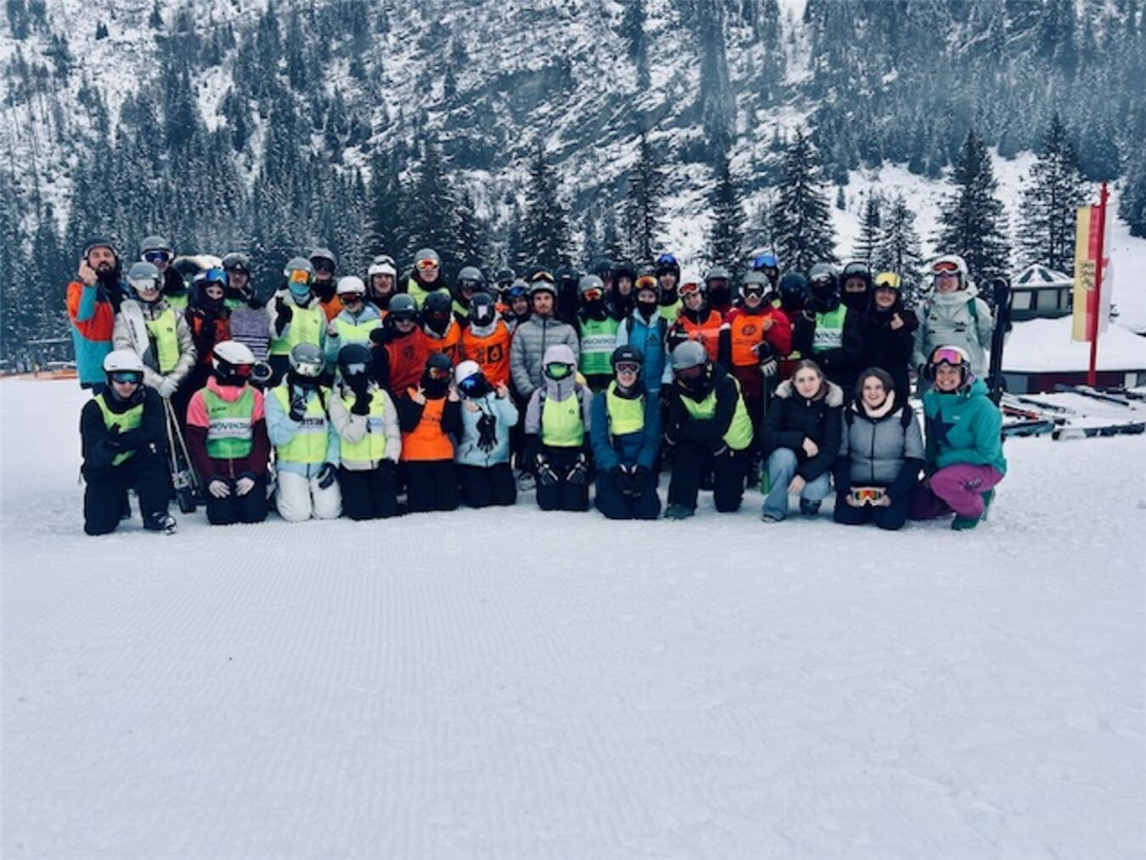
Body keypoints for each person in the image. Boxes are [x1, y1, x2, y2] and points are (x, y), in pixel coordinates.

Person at [80, 350, 177, 535]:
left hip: (140, 461)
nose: (127, 385)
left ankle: (156, 512)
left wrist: (119, 442)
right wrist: (108, 445)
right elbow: (91, 454)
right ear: (110, 379)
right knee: (98, 527)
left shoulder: (150, 398)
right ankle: (118, 503)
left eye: (133, 379)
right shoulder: (94, 409)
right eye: (120, 379)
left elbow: (154, 432)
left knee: (153, 452)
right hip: (108, 466)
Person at [910, 346, 1006, 530]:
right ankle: (960, 494)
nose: (945, 377)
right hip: (945, 467)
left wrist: (944, 460)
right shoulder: (930, 399)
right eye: (940, 371)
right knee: (916, 508)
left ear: (964, 373)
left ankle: (973, 510)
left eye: (952, 371)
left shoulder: (983, 407)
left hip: (986, 466)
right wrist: (930, 468)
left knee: (943, 482)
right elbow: (931, 438)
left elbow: (987, 453)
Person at [662, 341, 754, 519]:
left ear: (704, 366)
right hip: (705, 442)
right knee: (683, 450)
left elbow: (720, 425)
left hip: (731, 445)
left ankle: (735, 479)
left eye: (693, 370)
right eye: (682, 372)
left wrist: (686, 428)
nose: (688, 376)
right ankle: (681, 502)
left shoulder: (726, 384)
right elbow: (675, 425)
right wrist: (685, 430)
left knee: (727, 505)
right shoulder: (678, 388)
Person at [184, 341, 271, 526]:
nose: (246, 375)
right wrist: (209, 477)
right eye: (242, 370)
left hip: (247, 468)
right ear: (223, 368)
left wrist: (252, 473)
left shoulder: (254, 396)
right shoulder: (201, 398)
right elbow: (196, 444)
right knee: (221, 518)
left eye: (249, 370)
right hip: (217, 470)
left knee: (253, 515)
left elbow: (261, 440)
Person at [832, 367, 923, 531]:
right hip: (858, 483)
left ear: (887, 389)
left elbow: (915, 459)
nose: (872, 393)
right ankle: (867, 509)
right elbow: (841, 455)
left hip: (892, 483)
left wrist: (894, 493)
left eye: (878, 387)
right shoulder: (849, 413)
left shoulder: (904, 414)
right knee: (846, 517)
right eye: (867, 388)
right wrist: (845, 490)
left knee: (889, 522)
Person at [265, 343, 342, 522]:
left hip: (320, 465)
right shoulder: (277, 395)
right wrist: (293, 418)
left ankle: (310, 492)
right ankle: (279, 492)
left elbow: (334, 433)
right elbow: (276, 437)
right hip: (291, 465)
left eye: (314, 369)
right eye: (303, 368)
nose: (308, 374)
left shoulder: (326, 395)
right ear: (293, 365)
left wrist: (332, 463)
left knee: (329, 511)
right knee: (297, 514)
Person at [760, 359, 843, 522]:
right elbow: (766, 433)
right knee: (783, 457)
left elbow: (831, 447)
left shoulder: (831, 403)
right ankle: (774, 508)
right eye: (801, 380)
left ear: (820, 379)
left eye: (811, 379)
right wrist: (799, 440)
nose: (807, 385)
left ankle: (810, 502)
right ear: (793, 382)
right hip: (785, 457)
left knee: (815, 488)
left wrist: (804, 475)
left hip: (815, 462)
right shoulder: (783, 399)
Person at [329, 343, 401, 520]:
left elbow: (392, 429)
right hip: (353, 467)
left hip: (380, 464)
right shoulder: (337, 400)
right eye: (352, 370)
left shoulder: (381, 396)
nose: (357, 374)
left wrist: (390, 459)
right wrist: (359, 412)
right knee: (361, 514)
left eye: (361, 368)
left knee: (386, 512)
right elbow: (351, 436)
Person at [721, 270, 793, 445]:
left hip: (763, 380)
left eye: (757, 292)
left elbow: (785, 347)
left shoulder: (775, 316)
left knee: (764, 419)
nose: (752, 297)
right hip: (738, 378)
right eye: (749, 292)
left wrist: (772, 332)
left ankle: (763, 449)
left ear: (766, 292)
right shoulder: (733, 316)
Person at [590, 346, 661, 520]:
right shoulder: (602, 400)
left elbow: (651, 439)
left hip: (639, 463)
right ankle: (604, 491)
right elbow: (599, 440)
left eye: (632, 368)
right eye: (622, 368)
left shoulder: (649, 400)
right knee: (618, 511)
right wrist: (614, 469)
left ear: (639, 371)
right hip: (614, 464)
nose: (627, 374)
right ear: (614, 370)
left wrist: (643, 468)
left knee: (648, 511)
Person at [113, 261, 197, 404]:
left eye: (155, 284)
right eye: (143, 285)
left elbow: (189, 350)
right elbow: (125, 352)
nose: (150, 289)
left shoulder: (174, 315)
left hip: (177, 386)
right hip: (142, 388)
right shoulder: (125, 318)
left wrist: (174, 379)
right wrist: (157, 383)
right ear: (133, 286)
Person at [524, 344, 593, 512]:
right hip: (549, 453)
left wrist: (583, 463)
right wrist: (541, 465)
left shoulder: (583, 395)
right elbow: (531, 431)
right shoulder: (539, 396)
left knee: (575, 504)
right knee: (548, 503)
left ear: (571, 368)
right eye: (553, 369)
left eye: (561, 368)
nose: (557, 373)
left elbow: (590, 430)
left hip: (575, 453)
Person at [912, 255, 994, 384]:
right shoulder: (925, 308)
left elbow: (990, 343)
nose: (944, 281)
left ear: (961, 278)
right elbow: (916, 346)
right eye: (940, 277)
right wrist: (922, 367)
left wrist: (1003, 329)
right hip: (934, 381)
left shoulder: (975, 306)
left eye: (950, 276)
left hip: (970, 380)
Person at [397, 353, 462, 513]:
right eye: (435, 373)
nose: (439, 378)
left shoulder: (449, 396)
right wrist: (417, 404)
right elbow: (407, 425)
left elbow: (448, 427)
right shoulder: (411, 392)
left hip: (441, 453)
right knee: (423, 505)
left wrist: (452, 405)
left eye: (444, 375)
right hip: (416, 454)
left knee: (449, 504)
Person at [791, 263, 863, 402]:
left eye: (826, 282)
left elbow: (854, 351)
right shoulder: (806, 314)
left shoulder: (847, 313)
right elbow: (799, 347)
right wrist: (807, 325)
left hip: (842, 378)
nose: (822, 286)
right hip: (812, 378)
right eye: (817, 282)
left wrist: (824, 358)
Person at [454, 360, 519, 508]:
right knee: (479, 500)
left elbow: (512, 420)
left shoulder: (496, 397)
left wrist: (503, 399)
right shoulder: (463, 404)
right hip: (471, 460)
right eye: (466, 385)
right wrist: (460, 406)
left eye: (473, 381)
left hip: (498, 459)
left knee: (506, 498)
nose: (472, 387)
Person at [509, 272, 580, 404]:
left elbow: (572, 363)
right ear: (532, 302)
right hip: (529, 398)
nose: (543, 303)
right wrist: (529, 392)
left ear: (554, 301)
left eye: (547, 298)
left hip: (559, 397)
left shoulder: (567, 330)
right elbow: (517, 364)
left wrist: (558, 390)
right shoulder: (522, 330)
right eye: (538, 299)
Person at [67, 237, 123, 392]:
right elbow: (82, 314)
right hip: (100, 371)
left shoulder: (122, 289)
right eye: (96, 255)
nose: (102, 259)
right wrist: (89, 286)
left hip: (127, 363)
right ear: (86, 262)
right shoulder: (77, 289)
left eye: (107, 255)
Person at [267, 257, 326, 386]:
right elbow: (275, 334)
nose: (300, 282)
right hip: (283, 362)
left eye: (304, 278)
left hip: (312, 363)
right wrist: (284, 318)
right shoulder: (277, 303)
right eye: (296, 277)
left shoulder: (318, 310)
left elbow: (322, 340)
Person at [860, 272, 919, 398]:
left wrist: (899, 331)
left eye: (891, 292)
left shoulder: (906, 319)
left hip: (896, 385)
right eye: (882, 291)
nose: (885, 296)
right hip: (869, 384)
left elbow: (905, 353)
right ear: (874, 294)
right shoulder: (862, 319)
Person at [615, 273, 671, 399]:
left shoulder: (664, 325)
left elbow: (669, 358)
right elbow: (619, 355)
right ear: (636, 298)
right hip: (632, 389)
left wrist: (667, 382)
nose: (646, 300)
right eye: (642, 296)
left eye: (651, 297)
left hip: (657, 388)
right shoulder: (627, 324)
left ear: (657, 299)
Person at [184, 267, 232, 397]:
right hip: (195, 373)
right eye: (210, 292)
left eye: (219, 293)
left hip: (222, 371)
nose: (214, 297)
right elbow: (187, 348)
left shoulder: (226, 316)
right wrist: (205, 338)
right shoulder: (192, 315)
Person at [370, 293, 425, 395]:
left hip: (421, 388)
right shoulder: (382, 349)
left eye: (411, 317)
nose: (406, 322)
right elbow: (382, 385)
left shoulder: (419, 329)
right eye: (400, 318)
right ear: (392, 318)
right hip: (396, 394)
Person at [324, 275, 382, 370]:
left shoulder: (377, 324)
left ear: (362, 296)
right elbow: (331, 358)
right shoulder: (335, 324)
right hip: (343, 376)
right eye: (345, 299)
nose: (350, 303)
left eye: (353, 298)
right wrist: (333, 340)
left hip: (368, 375)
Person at [666, 273, 726, 363]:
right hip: (692, 368)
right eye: (687, 298)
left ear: (702, 295)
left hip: (716, 366)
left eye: (695, 295)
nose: (691, 301)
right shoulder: (680, 322)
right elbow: (670, 350)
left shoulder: (718, 317)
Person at [576, 274, 620, 391]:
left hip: (610, 376)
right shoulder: (579, 321)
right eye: (589, 296)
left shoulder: (614, 320)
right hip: (587, 377)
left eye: (596, 294)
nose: (594, 299)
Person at [460, 291, 512, 387]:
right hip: (476, 387)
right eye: (477, 312)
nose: (482, 316)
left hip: (502, 386)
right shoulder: (465, 335)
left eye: (485, 312)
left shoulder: (505, 327)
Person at [139, 235, 188, 310]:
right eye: (151, 257)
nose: (157, 261)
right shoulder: (136, 291)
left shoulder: (187, 290)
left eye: (162, 256)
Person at [421, 288, 463, 363]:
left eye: (442, 315)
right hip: (428, 369)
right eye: (434, 315)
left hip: (455, 367)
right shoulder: (418, 326)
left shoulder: (458, 320)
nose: (437, 318)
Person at [308, 247, 342, 321]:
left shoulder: (340, 292)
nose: (322, 270)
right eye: (317, 265)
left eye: (327, 266)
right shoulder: (304, 292)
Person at [654, 253, 682, 322]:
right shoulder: (650, 304)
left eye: (671, 274)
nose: (668, 278)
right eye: (663, 275)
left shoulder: (685, 304)